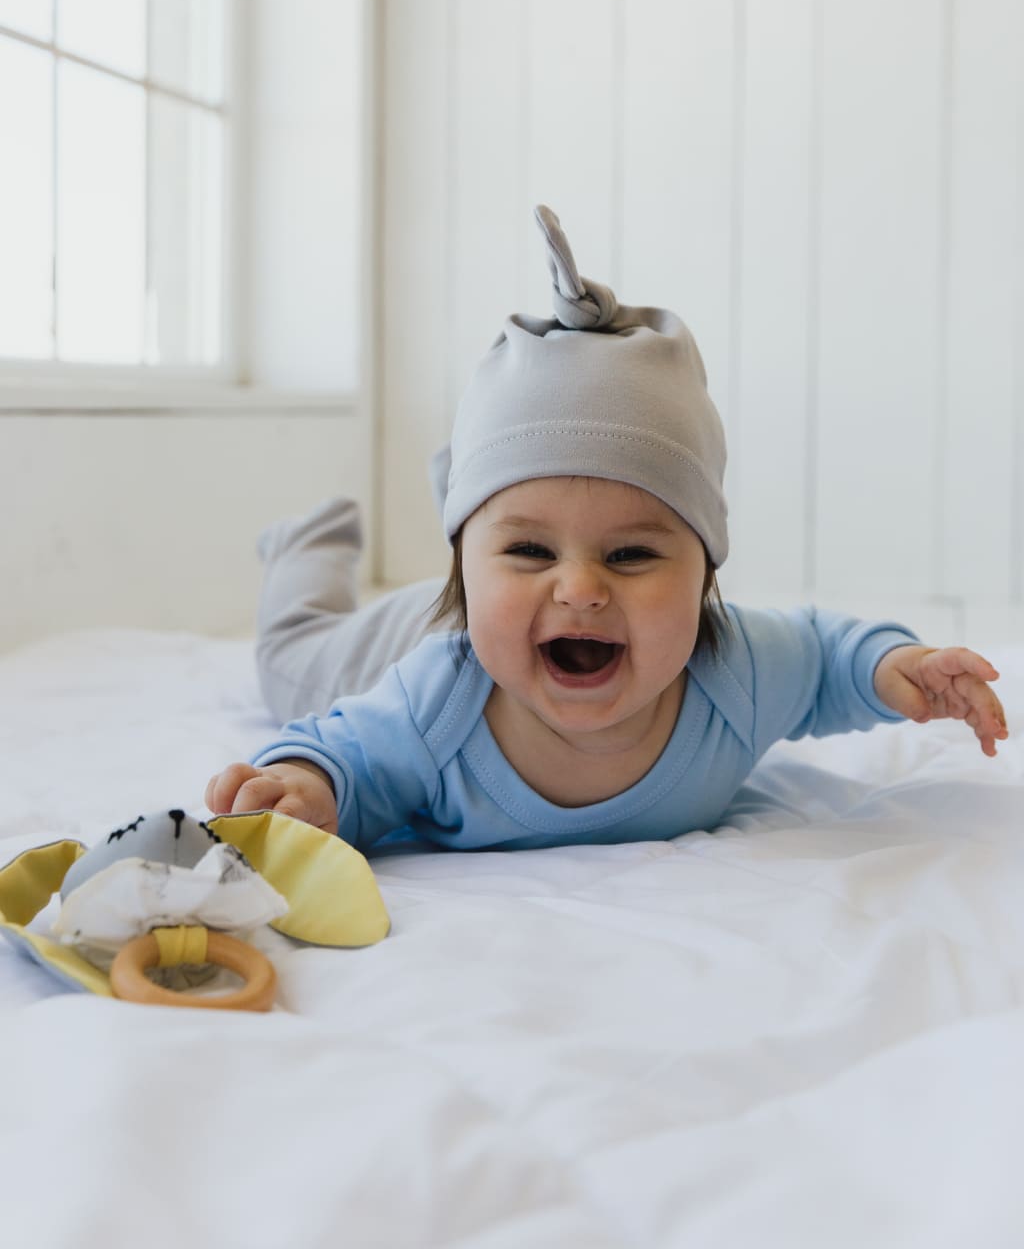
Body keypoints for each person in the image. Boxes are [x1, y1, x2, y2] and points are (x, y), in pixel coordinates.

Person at [205, 207, 1008, 851]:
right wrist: (307, 786)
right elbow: (344, 756)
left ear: (705, 575)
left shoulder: (735, 673)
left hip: (490, 604)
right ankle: (310, 544)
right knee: (288, 656)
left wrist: (896, 665)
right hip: (396, 640)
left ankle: (491, 520)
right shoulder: (434, 704)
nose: (582, 588)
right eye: (530, 549)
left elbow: (828, 657)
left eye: (630, 553)